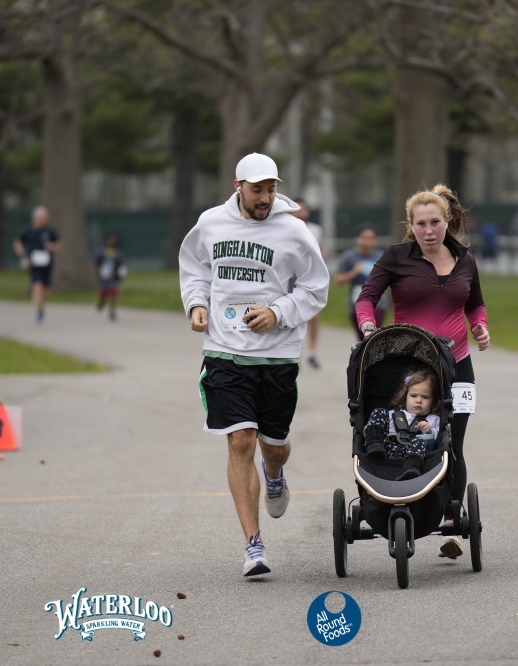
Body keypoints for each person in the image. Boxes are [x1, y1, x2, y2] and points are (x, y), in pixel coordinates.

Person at [179, 153, 329, 577]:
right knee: (240, 441)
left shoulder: (294, 231)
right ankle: (253, 545)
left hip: (276, 355)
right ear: (238, 187)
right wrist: (196, 303)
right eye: (257, 189)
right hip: (224, 351)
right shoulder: (211, 223)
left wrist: (277, 312)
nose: (265, 198)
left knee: (273, 445)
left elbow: (316, 289)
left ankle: (275, 473)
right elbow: (194, 267)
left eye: (271, 189)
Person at [355, 183, 490, 560]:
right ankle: (402, 504)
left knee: (453, 442)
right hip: (412, 369)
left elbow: (475, 304)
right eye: (421, 224)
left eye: (435, 223)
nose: (428, 231)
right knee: (406, 435)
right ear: (410, 225)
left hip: (458, 365)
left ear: (447, 222)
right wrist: (368, 326)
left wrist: (480, 326)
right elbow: (366, 298)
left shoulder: (465, 259)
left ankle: (450, 516)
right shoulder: (397, 257)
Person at [363, 370, 441, 481]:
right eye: (413, 396)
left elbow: (439, 439)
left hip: (413, 455)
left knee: (419, 442)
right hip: (384, 450)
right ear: (405, 397)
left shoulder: (432, 419)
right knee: (379, 411)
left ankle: (410, 469)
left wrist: (429, 431)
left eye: (425, 397)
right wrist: (368, 430)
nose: (419, 400)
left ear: (433, 401)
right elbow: (378, 423)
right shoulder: (393, 414)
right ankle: (373, 441)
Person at [335, 225, 387, 341]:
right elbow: (338, 280)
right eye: (364, 237)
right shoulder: (349, 257)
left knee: (374, 337)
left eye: (371, 238)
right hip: (356, 305)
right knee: (362, 340)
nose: (367, 241)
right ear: (358, 238)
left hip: (378, 304)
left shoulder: (381, 256)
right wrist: (354, 272)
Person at [291, 198, 324, 369]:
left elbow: (321, 251)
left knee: (312, 314)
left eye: (303, 208)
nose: (300, 211)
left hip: (309, 277)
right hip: (290, 277)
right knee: (292, 313)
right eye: (297, 208)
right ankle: (294, 352)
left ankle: (312, 352)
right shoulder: (284, 228)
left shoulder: (315, 230)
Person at [13, 206, 60, 323]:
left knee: (46, 292)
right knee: (37, 286)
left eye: (44, 219)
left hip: (47, 264)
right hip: (33, 263)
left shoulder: (50, 231)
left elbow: (58, 244)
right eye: (39, 219)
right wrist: (22, 254)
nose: (41, 221)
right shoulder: (27, 231)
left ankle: (40, 305)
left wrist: (52, 247)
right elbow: (18, 242)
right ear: (34, 218)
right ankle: (39, 312)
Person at [94, 232, 127, 321]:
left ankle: (112, 311)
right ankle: (101, 302)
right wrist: (97, 273)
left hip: (113, 276)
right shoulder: (101, 252)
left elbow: (121, 265)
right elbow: (96, 263)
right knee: (103, 293)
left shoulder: (118, 253)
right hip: (103, 276)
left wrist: (121, 274)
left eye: (114, 241)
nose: (112, 242)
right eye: (110, 240)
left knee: (113, 293)